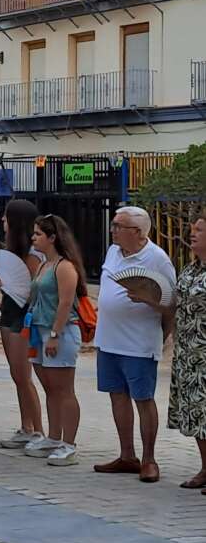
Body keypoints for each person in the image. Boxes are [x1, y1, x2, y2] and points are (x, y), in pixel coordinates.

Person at [93, 206, 176, 483]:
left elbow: (172, 304)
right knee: (117, 395)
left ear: (138, 232)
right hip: (108, 339)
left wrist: (151, 306)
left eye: (119, 226)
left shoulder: (157, 259)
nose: (113, 230)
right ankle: (127, 455)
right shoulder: (113, 252)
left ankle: (149, 459)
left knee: (143, 398)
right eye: (114, 224)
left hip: (138, 342)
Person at [23, 214, 86, 466]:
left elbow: (65, 302)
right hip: (38, 330)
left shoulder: (64, 266)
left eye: (38, 234)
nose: (33, 238)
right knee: (50, 387)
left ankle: (69, 443)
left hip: (59, 331)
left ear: (52, 238)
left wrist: (55, 334)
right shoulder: (43, 265)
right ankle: (53, 436)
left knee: (64, 388)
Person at [0, 199, 45, 450]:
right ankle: (26, 426)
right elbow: (7, 286)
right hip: (9, 312)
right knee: (16, 374)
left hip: (23, 316)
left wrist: (9, 287)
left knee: (23, 375)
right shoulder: (12, 253)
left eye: (6, 217)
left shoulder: (33, 255)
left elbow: (33, 291)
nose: (2, 221)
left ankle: (38, 430)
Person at [166, 213, 206, 491]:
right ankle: (205, 467)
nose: (193, 233)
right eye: (193, 229)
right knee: (196, 413)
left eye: (200, 230)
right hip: (189, 354)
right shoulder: (190, 269)